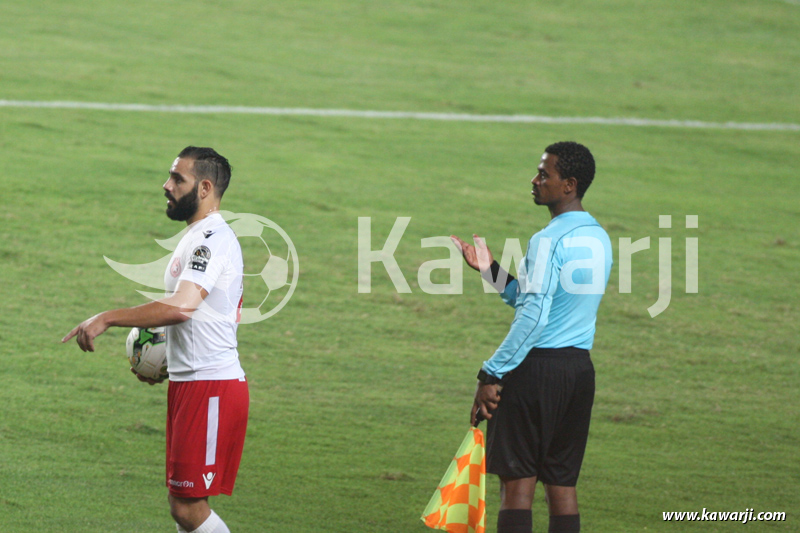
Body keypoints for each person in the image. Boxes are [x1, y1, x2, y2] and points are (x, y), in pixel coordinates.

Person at [62, 146, 248, 533]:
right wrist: (165, 362)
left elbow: (181, 307)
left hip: (211, 387)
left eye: (178, 179)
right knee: (184, 502)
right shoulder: (196, 236)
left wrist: (107, 318)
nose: (166, 185)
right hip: (191, 383)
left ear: (205, 188)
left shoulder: (211, 239)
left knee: (187, 507)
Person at [451, 141, 612, 533]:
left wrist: (491, 373)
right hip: (577, 373)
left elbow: (534, 316)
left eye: (544, 174)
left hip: (535, 373)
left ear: (569, 184)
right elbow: (538, 300)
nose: (535, 180)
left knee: (517, 488)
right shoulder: (599, 237)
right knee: (562, 486)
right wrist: (491, 271)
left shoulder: (548, 240)